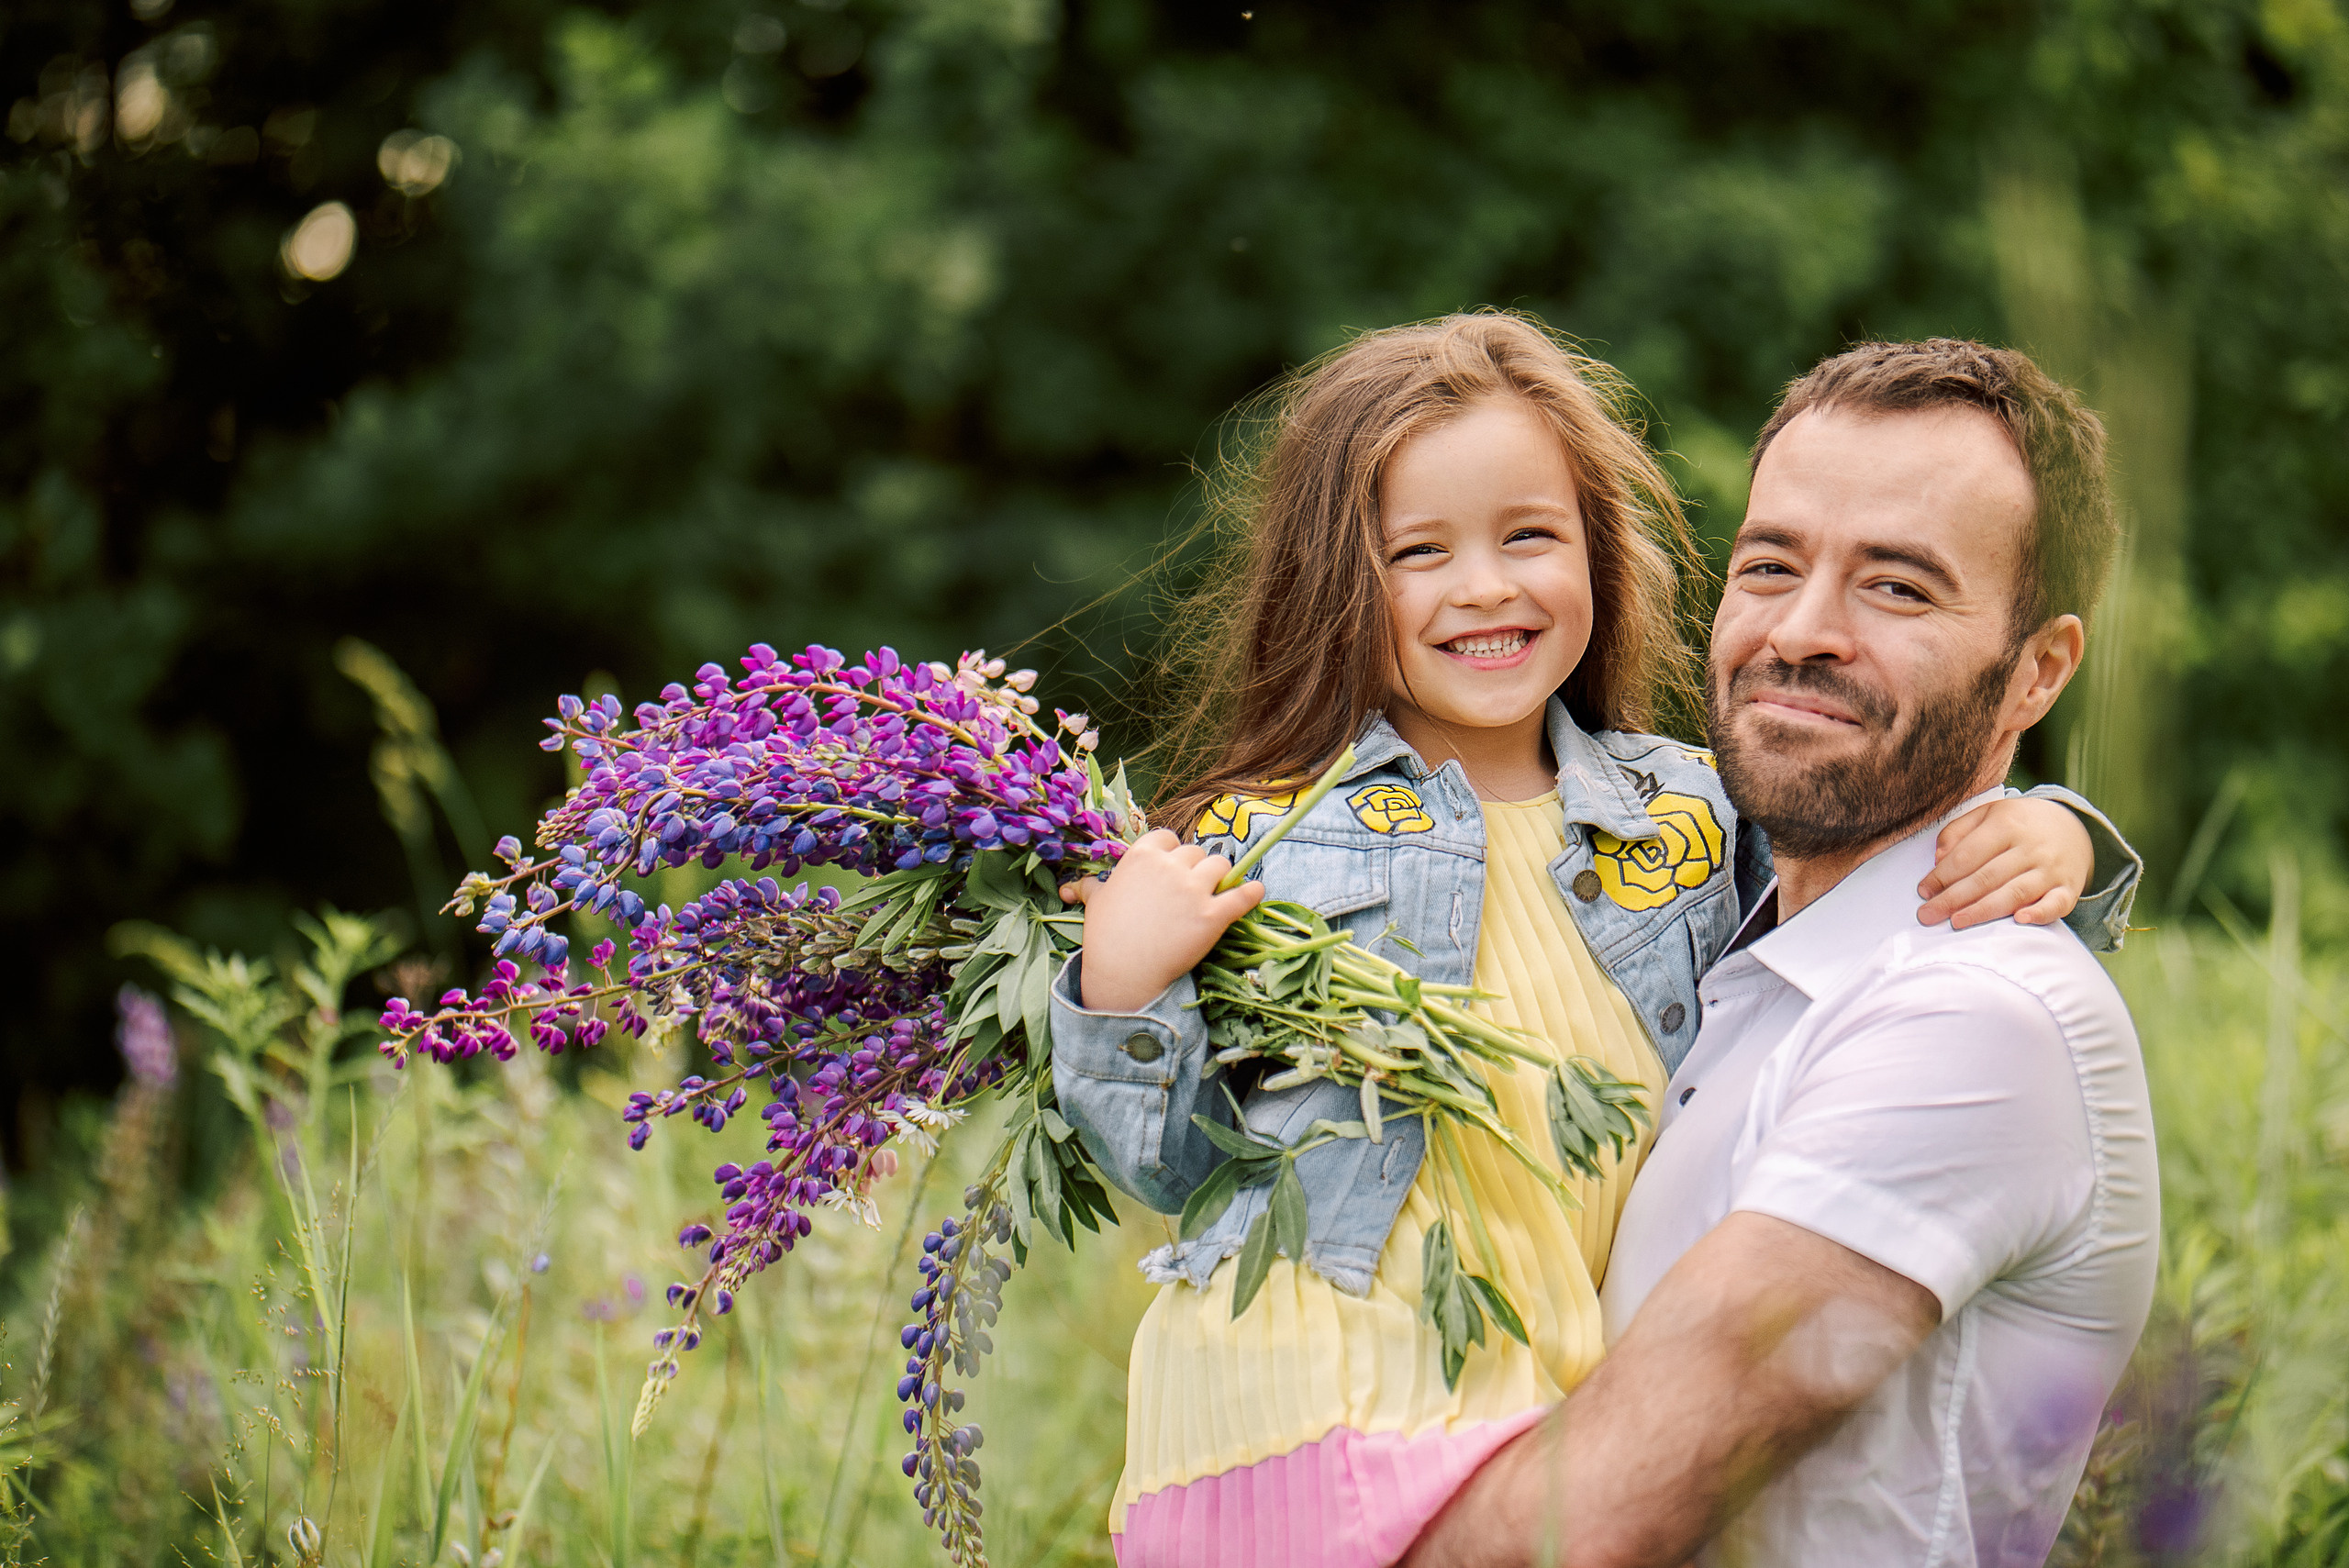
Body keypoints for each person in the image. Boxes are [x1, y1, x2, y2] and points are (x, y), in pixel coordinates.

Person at [1049, 315, 2140, 1568]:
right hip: (1303, 1403)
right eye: (1419, 551)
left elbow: (1884, 848)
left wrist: (2058, 831)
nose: (1484, 587)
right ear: (1342, 583)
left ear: (1596, 551)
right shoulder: (1262, 841)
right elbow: (1182, 1167)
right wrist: (1120, 987)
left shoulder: (1681, 814)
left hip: (1529, 1410)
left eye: (1529, 536)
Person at [1399, 339, 2158, 1568]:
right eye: (1770, 565)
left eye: (1897, 588)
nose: (1801, 631)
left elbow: (1570, 1529)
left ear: (2036, 671)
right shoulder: (1712, 939)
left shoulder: (1972, 1014)